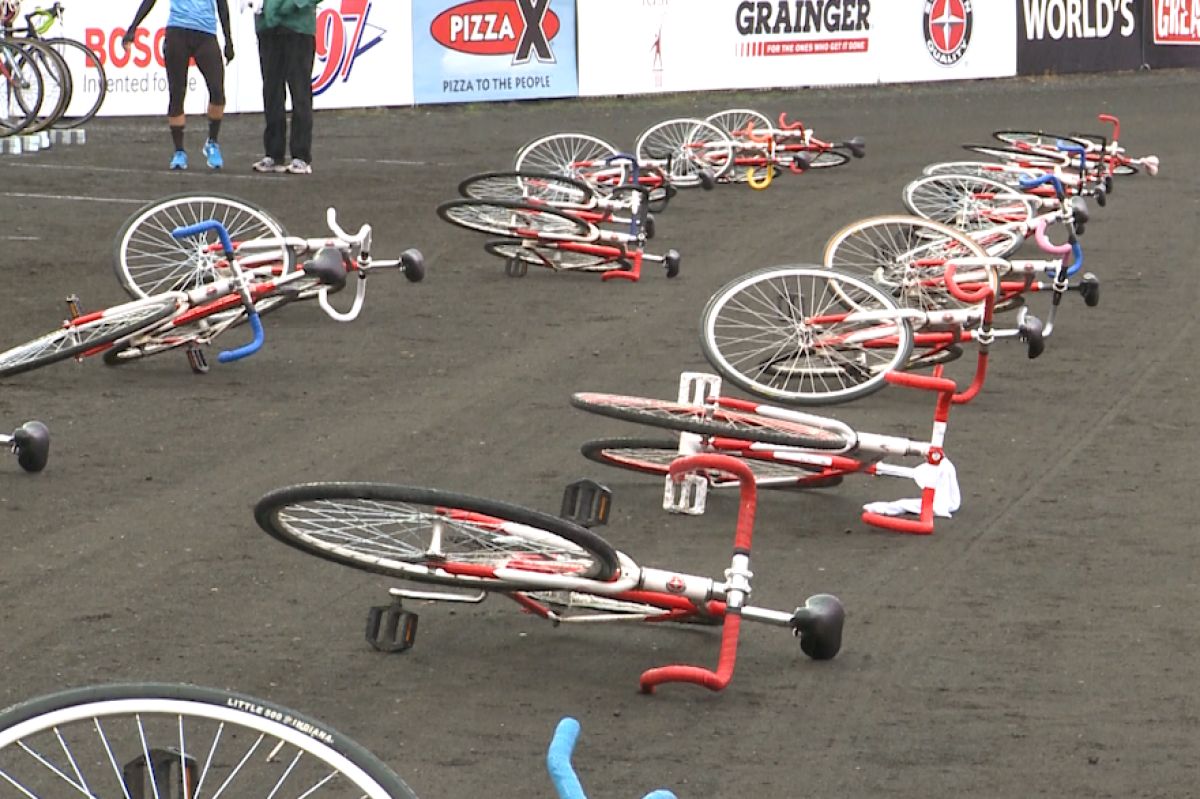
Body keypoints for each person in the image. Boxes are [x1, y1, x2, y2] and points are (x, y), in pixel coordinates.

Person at [123, 0, 234, 171]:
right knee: (177, 93)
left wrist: (228, 39)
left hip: (205, 33)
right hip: (177, 31)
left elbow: (222, 4)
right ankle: (179, 151)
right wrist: (133, 27)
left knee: (217, 92)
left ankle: (212, 142)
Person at [251, 0, 321, 175]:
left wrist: (295, 4)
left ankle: (301, 156)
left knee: (300, 92)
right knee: (271, 91)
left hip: (298, 27)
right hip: (268, 27)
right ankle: (273, 154)